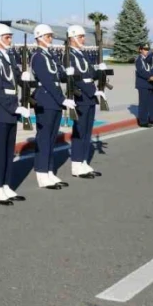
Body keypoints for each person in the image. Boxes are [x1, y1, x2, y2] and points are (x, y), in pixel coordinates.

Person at [0, 24, 31, 203]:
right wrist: (14, 107)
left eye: (10, 37)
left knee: (9, 150)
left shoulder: (9, 58)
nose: (10, 40)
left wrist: (25, 79)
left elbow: (16, 78)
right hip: (0, 109)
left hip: (11, 107)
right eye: (6, 37)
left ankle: (5, 185)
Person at [30, 24, 70, 188]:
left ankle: (49, 170)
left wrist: (67, 72)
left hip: (53, 101)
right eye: (47, 36)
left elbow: (58, 76)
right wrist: (62, 99)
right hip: (45, 99)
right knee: (44, 137)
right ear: (39, 38)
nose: (50, 38)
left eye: (50, 36)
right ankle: (41, 172)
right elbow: (47, 81)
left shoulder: (51, 55)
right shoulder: (38, 57)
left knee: (52, 137)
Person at [64, 25, 106, 178]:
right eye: (80, 36)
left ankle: (83, 161)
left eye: (83, 36)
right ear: (72, 38)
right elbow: (76, 79)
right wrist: (92, 90)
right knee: (80, 130)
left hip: (89, 97)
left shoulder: (82, 55)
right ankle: (76, 164)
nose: (83, 39)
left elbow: (90, 74)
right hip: (80, 96)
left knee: (87, 130)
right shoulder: (68, 56)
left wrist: (101, 71)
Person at [134, 44, 153, 128]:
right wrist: (150, 76)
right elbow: (141, 71)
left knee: (148, 103)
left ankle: (146, 119)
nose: (146, 51)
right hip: (143, 84)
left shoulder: (147, 59)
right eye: (145, 49)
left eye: (147, 49)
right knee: (143, 103)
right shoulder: (138, 59)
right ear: (140, 50)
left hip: (149, 84)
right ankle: (142, 121)